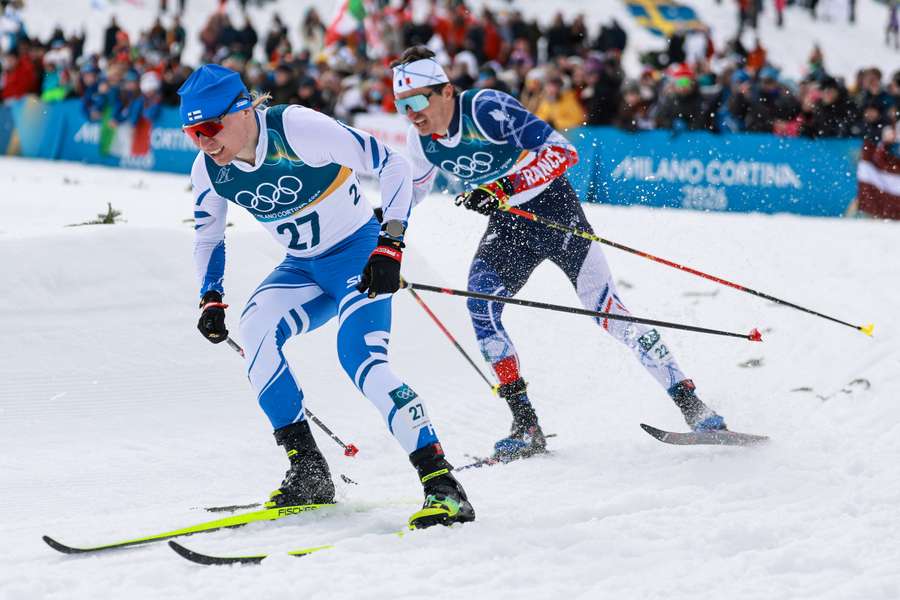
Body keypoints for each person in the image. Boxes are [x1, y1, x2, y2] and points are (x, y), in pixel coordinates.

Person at [391, 46, 729, 461]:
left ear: (446, 91)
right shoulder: (419, 141)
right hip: (509, 227)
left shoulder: (485, 108)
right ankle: (525, 424)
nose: (411, 112)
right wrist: (381, 221)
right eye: (401, 104)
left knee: (608, 312)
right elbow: (417, 189)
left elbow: (562, 152)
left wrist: (503, 188)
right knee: (480, 305)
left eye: (418, 100)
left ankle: (693, 405)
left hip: (554, 213)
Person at [180, 64, 473, 529]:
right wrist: (210, 297)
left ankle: (442, 485)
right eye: (192, 132)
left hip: (357, 257)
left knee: (360, 359)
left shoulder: (298, 129)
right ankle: (310, 472)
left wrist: (390, 244)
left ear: (241, 110)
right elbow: (208, 237)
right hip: (301, 268)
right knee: (255, 327)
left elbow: (392, 164)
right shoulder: (209, 170)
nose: (204, 141)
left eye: (210, 127)